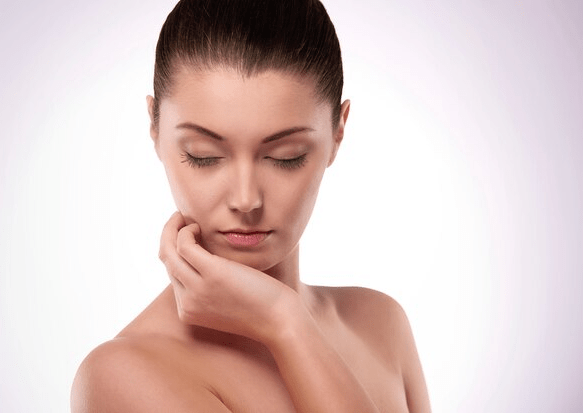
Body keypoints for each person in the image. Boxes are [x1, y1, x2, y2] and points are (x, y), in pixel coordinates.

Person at [71, 0, 431, 411]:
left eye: (286, 157)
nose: (246, 200)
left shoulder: (381, 324)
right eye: (204, 155)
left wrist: (285, 320)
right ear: (155, 127)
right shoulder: (123, 375)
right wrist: (283, 320)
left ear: (338, 131)